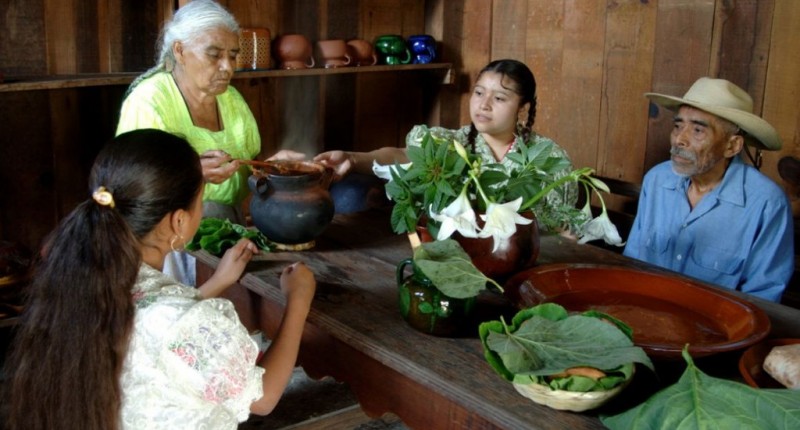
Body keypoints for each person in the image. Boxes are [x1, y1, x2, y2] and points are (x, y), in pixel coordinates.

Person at [3, 129, 317, 430]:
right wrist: (297, 302)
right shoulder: (181, 319)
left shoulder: (83, 278)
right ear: (179, 221)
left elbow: (151, 320)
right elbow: (263, 397)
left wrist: (219, 281)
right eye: (200, 200)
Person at [116, 0, 302, 284]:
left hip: (227, 230)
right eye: (214, 55)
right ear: (180, 51)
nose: (227, 67)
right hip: (167, 241)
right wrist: (194, 173)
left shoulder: (231, 100)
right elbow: (133, 185)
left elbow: (246, 163)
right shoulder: (149, 102)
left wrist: (267, 166)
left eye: (233, 55)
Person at [314, 58, 577, 231]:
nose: (484, 105)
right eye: (479, 93)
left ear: (523, 107)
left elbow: (561, 229)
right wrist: (352, 158)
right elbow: (404, 156)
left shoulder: (549, 158)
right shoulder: (455, 142)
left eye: (499, 98)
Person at [623, 77, 793, 302]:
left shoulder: (766, 203)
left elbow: (763, 297)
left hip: (716, 322)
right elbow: (632, 263)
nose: (679, 140)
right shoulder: (656, 180)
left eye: (697, 130)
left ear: (732, 146)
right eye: (677, 126)